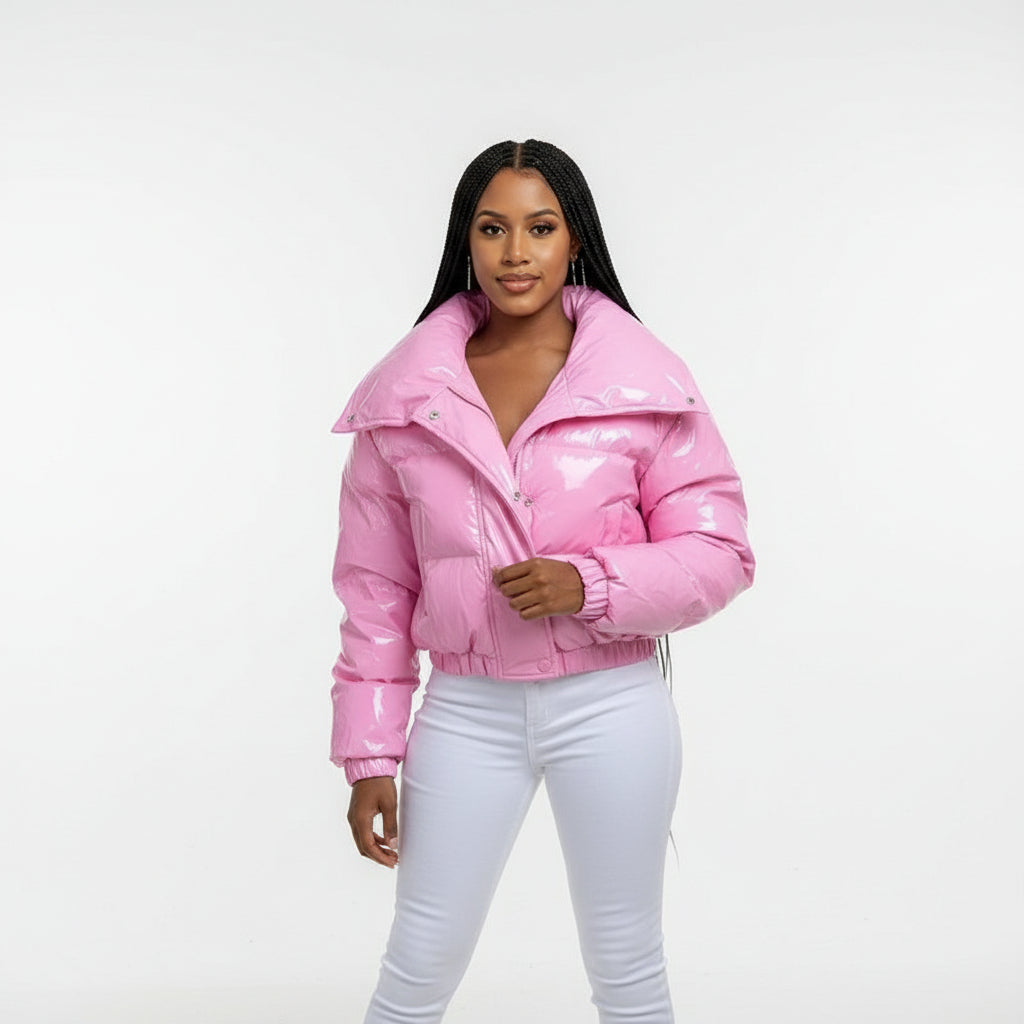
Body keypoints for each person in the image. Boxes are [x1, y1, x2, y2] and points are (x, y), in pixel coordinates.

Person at [328, 138, 755, 1024]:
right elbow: (374, 590)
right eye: (492, 228)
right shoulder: (406, 398)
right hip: (465, 708)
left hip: (613, 703)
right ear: (466, 239)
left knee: (626, 961)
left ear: (574, 239)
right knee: (418, 962)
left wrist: (590, 584)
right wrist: (370, 755)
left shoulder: (644, 383)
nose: (515, 252)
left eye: (540, 227)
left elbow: (721, 553)